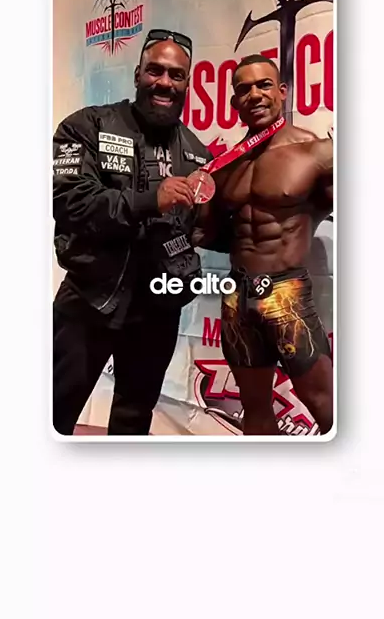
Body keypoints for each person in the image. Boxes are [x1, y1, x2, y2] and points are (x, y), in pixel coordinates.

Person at [52, 29, 212, 435]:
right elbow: (69, 202)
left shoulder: (198, 153)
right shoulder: (86, 126)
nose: (165, 82)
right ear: (138, 74)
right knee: (51, 413)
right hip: (90, 301)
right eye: (155, 70)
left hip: (157, 312)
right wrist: (150, 200)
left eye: (176, 75)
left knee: (133, 423)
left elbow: (198, 230)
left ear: (188, 83)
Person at [194, 54, 333, 436]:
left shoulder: (317, 152)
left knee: (327, 408)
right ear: (234, 102)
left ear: (283, 92)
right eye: (243, 89)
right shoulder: (224, 166)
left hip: (286, 296)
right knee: (253, 407)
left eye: (264, 84)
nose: (254, 94)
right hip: (236, 298)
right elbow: (207, 234)